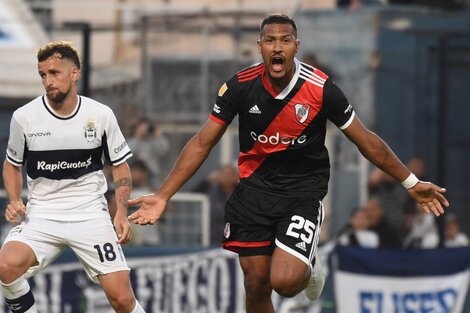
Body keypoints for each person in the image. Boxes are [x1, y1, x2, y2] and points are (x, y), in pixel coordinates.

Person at [127, 14, 449, 313]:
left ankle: (308, 260)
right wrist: (163, 195)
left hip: (301, 193)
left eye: (285, 40)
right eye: (270, 40)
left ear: (296, 46)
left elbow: (365, 140)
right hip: (253, 192)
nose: (277, 47)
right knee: (255, 285)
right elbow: (201, 143)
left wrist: (410, 182)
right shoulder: (240, 86)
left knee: (285, 281)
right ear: (260, 47)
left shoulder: (320, 89)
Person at [0, 41, 145, 313]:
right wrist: (13, 199)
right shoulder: (24, 117)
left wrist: (121, 212)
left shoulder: (100, 115)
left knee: (123, 299)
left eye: (55, 73)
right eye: (43, 75)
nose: (48, 81)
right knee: (6, 266)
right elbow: (11, 164)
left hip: (90, 213)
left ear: (75, 73)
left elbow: (120, 166)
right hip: (42, 214)